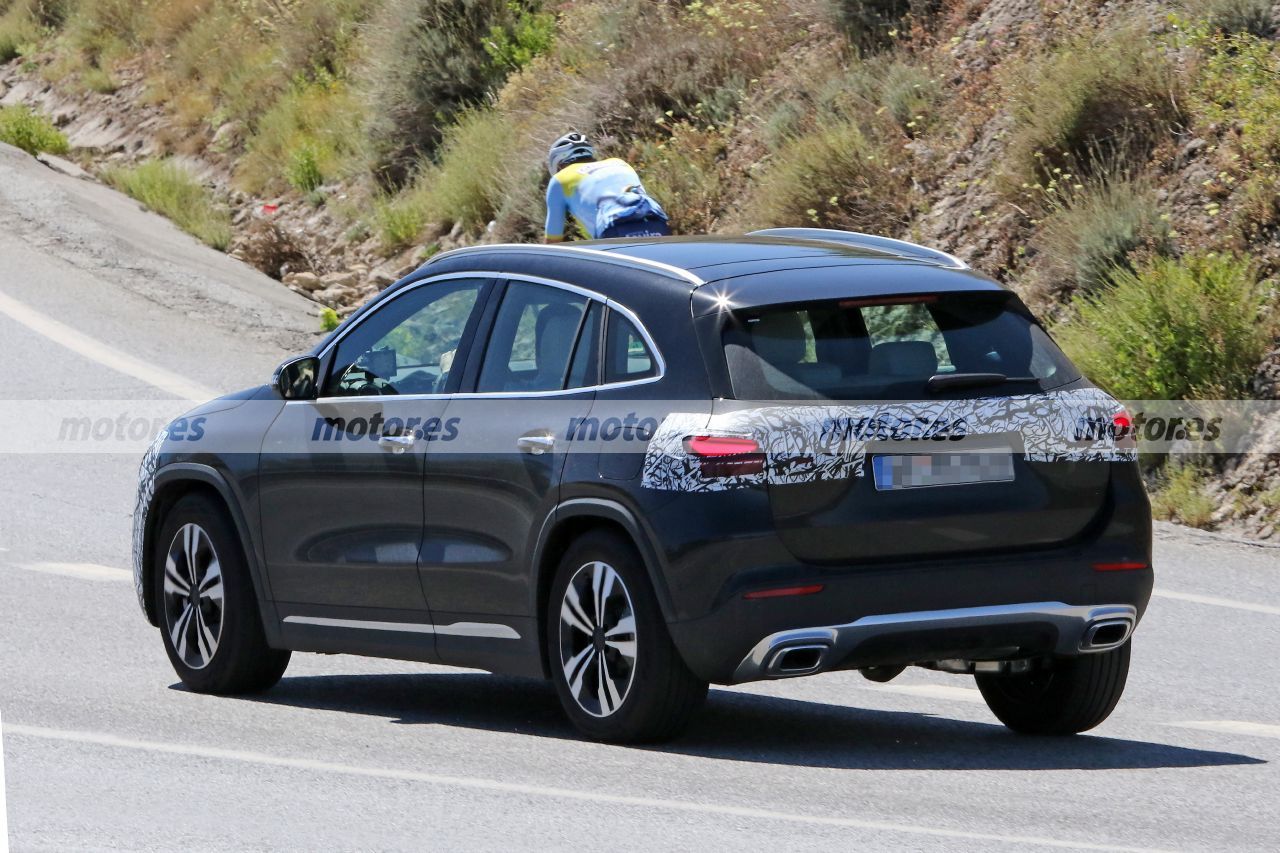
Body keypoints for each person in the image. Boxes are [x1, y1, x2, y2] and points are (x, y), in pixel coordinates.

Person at [544, 132, 671, 243]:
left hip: (614, 231)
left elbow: (553, 241)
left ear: (558, 164)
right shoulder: (619, 163)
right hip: (655, 222)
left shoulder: (559, 179)